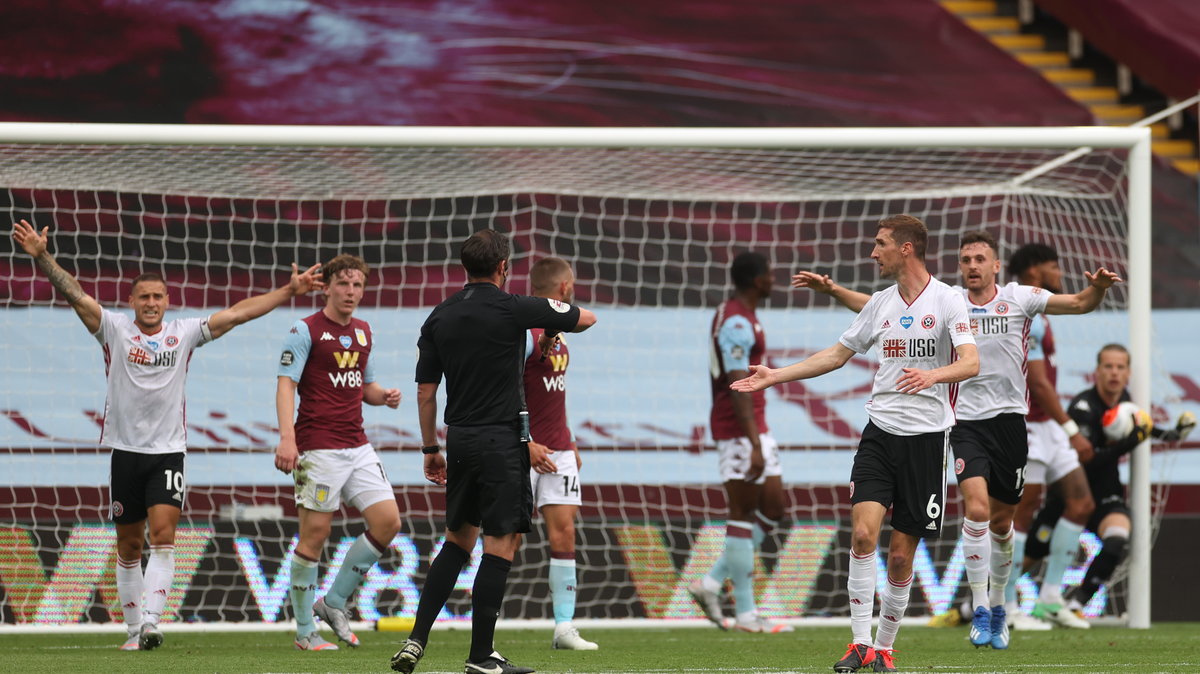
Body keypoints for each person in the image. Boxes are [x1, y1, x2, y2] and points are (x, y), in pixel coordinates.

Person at [795, 231, 1119, 649]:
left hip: (1010, 423)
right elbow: (879, 311)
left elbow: (1077, 304)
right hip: (963, 422)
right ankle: (981, 609)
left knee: (1003, 524)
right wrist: (835, 290)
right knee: (978, 507)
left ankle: (1000, 603)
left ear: (996, 266)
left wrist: (1096, 289)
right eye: (966, 259)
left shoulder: (1020, 298)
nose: (972, 266)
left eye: (980, 258)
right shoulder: (950, 301)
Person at [10, 219, 322, 651]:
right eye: (144, 297)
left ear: (167, 301)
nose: (151, 303)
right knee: (128, 544)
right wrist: (42, 256)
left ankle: (153, 621)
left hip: (168, 453)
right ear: (132, 301)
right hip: (125, 452)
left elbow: (237, 313)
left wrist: (289, 292)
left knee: (163, 536)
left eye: (158, 296)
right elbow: (75, 295)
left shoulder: (184, 333)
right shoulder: (115, 330)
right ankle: (134, 630)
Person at [734, 215, 979, 673]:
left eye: (880, 244)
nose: (873, 252)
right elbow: (835, 355)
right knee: (864, 534)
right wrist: (775, 376)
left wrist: (932, 375)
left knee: (902, 556)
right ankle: (859, 643)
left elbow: (970, 363)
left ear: (906, 249)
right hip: (879, 435)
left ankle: (885, 648)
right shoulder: (880, 304)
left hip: (927, 442)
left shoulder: (948, 301)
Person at [391, 230, 597, 674]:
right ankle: (481, 656)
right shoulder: (515, 308)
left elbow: (426, 393)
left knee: (456, 542)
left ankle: (415, 639)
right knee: (500, 546)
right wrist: (552, 322)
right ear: (503, 267)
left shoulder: (438, 317)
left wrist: (431, 448)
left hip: (459, 439)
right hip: (504, 442)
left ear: (465, 267)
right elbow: (587, 319)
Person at [273, 254, 403, 651]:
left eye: (357, 285)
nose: (351, 292)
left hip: (357, 444)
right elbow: (285, 384)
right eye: (343, 284)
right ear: (326, 286)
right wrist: (287, 438)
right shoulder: (305, 329)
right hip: (318, 446)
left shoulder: (364, 332)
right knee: (314, 537)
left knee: (388, 522)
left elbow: (365, 387)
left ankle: (333, 603)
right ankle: (303, 632)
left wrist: (384, 396)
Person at [1023, 344, 1194, 617]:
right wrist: (1127, 443)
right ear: (1097, 372)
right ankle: (976, 605)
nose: (1114, 373)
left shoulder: (1127, 404)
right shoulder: (1082, 407)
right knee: (1029, 555)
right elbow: (1087, 458)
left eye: (1120, 367)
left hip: (1105, 496)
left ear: (1128, 373)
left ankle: (1076, 606)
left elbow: (1145, 430)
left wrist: (1175, 434)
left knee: (1117, 536)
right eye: (1108, 366)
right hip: (1069, 497)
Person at [689, 251, 792, 634]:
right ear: (756, 280)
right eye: (769, 274)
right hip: (737, 429)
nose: (773, 279)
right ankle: (747, 614)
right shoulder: (735, 320)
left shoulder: (743, 315)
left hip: (757, 427)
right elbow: (738, 385)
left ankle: (711, 583)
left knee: (775, 507)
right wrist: (751, 441)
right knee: (742, 513)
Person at [1002, 244, 1098, 629]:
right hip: (1029, 425)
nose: (1060, 272)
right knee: (1020, 514)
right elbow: (1038, 384)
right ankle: (1007, 608)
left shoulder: (1041, 311)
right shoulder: (1028, 315)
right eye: (1053, 266)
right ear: (1034, 270)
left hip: (1049, 429)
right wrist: (1072, 429)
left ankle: (1050, 598)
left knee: (1081, 503)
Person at [522, 256, 599, 650]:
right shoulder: (523, 330)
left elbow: (554, 392)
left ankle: (564, 628)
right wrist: (526, 441)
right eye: (572, 284)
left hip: (559, 449)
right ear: (565, 288)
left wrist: (569, 439)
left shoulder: (560, 331)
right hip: (522, 449)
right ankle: (482, 626)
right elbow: (506, 391)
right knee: (503, 538)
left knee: (564, 531)